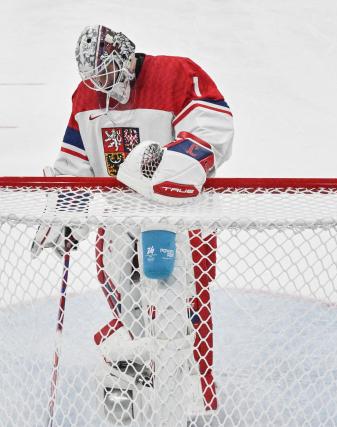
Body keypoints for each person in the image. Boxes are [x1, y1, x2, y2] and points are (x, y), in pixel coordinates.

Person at [31, 24, 233, 423]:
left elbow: (215, 131)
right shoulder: (86, 96)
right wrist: (66, 217)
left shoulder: (175, 74)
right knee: (127, 302)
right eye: (93, 78)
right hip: (121, 218)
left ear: (125, 58)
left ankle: (196, 390)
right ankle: (141, 369)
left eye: (107, 73)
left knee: (186, 305)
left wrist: (166, 168)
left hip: (182, 219)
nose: (102, 85)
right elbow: (76, 166)